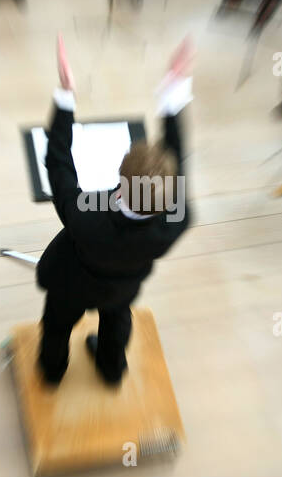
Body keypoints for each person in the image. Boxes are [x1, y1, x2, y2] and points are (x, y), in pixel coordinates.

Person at [36, 35, 193, 386]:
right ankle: (111, 369)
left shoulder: (86, 215)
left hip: (71, 284)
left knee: (58, 325)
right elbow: (178, 161)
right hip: (123, 286)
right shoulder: (177, 218)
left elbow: (58, 164)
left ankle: (52, 370)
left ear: (120, 183)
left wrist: (65, 96)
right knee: (117, 320)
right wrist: (173, 90)